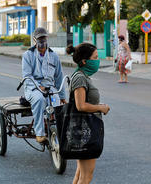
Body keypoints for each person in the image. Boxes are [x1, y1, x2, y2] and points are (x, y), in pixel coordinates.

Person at [66, 43, 110, 184]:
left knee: (80, 174)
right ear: (84, 61)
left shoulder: (83, 76)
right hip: (85, 131)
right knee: (86, 177)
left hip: (84, 130)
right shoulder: (80, 78)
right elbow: (81, 106)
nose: (98, 61)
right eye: (95, 57)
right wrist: (100, 108)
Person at [22, 27, 67, 143]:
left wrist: (62, 96)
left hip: (49, 88)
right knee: (39, 100)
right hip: (32, 88)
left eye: (44, 39)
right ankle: (40, 134)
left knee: (56, 103)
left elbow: (58, 77)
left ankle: (59, 131)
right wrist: (38, 87)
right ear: (34, 40)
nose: (42, 42)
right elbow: (27, 76)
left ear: (47, 38)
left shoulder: (54, 56)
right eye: (39, 39)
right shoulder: (28, 55)